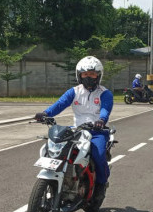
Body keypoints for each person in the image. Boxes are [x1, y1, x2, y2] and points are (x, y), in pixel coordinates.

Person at [34, 56, 114, 204]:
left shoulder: (105, 93)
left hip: (97, 131)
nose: (88, 77)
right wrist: (45, 114)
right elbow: (60, 104)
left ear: (98, 75)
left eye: (92, 74)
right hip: (77, 130)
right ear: (79, 75)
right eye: (85, 74)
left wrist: (101, 121)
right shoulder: (74, 91)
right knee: (54, 148)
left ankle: (101, 185)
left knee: (99, 154)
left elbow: (105, 109)